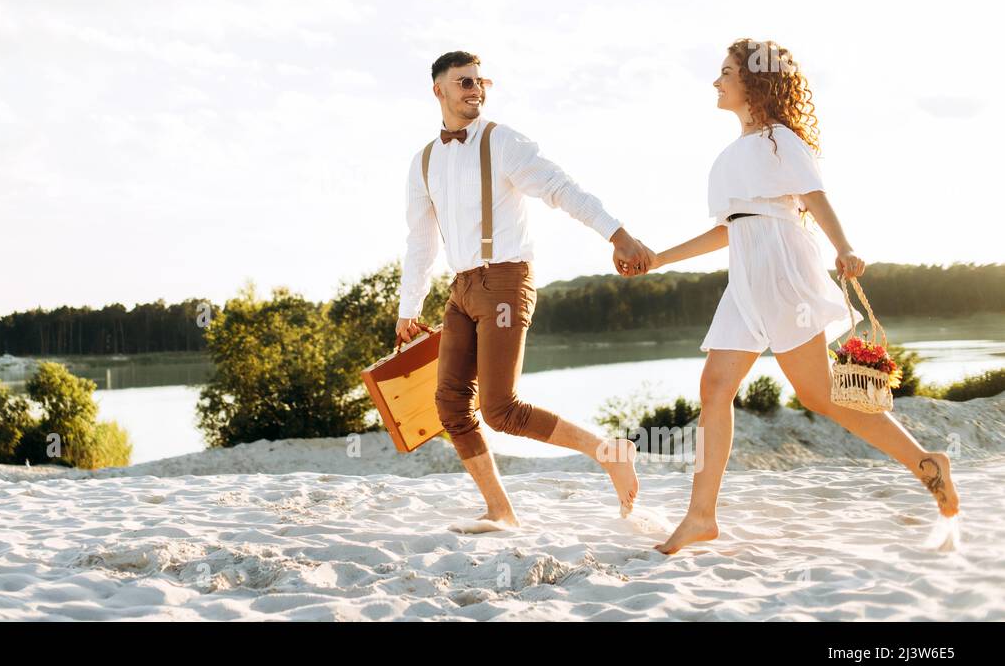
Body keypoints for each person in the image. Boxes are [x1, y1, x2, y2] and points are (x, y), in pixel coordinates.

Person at [645, 38, 960, 555]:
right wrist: (659, 259)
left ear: (754, 81)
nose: (716, 81)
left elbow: (815, 197)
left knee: (819, 394)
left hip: (781, 266)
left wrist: (845, 247)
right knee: (715, 386)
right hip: (745, 272)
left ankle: (926, 462)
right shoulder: (729, 155)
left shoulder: (778, 140)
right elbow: (729, 228)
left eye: (726, 72)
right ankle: (701, 516)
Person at [395, 50, 651, 531]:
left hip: (506, 280)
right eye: (464, 82)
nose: (475, 89)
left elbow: (562, 188)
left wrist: (618, 234)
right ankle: (500, 509)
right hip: (462, 288)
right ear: (439, 91)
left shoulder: (503, 142)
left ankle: (609, 452)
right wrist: (409, 308)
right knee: (450, 405)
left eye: (479, 81)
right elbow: (420, 241)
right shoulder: (424, 162)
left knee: (500, 409)